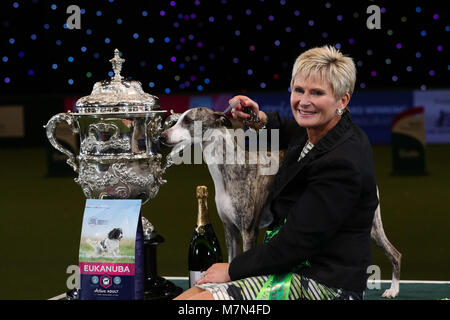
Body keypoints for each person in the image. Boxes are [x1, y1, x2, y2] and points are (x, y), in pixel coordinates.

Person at [174, 45, 379, 300]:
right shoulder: (316, 131)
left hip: (323, 284)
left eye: (317, 93)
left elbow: (294, 245)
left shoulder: (343, 161)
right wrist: (256, 117)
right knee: (188, 296)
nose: (304, 101)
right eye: (299, 90)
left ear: (342, 100)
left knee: (196, 302)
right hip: (286, 266)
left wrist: (233, 269)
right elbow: (287, 128)